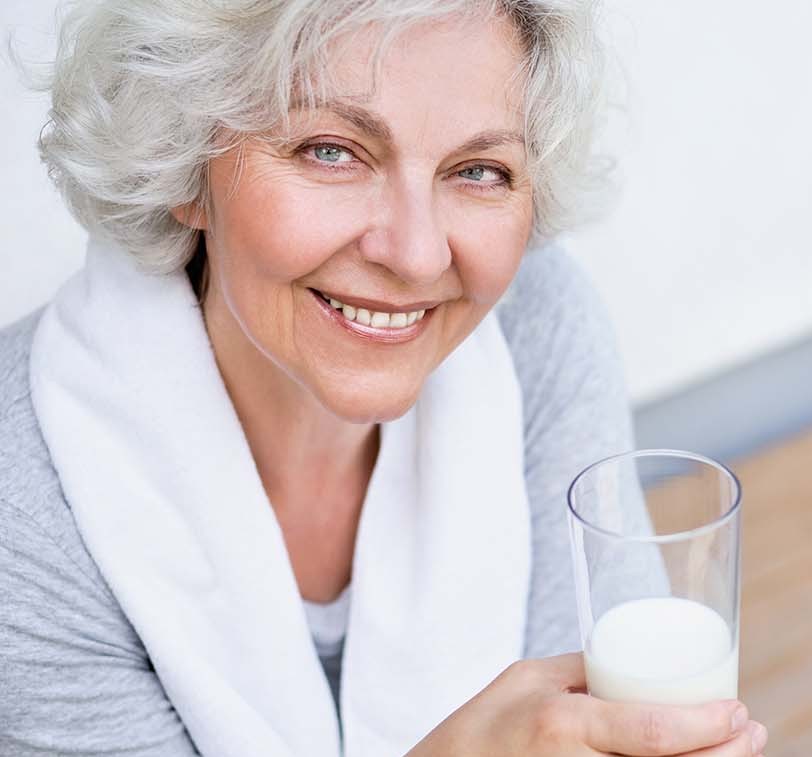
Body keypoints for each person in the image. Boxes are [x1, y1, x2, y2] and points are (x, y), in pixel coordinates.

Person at [0, 1, 768, 755]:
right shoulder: (25, 492)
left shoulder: (537, 331)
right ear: (183, 162)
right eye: (331, 151)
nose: (416, 254)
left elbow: (622, 705)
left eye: (478, 170)